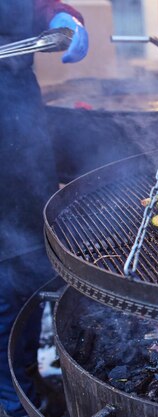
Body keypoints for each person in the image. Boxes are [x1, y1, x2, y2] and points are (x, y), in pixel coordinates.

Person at [0, 1, 88, 416]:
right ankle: (11, 401)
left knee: (28, 276)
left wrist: (64, 18)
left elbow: (35, 8)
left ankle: (27, 386)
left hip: (20, 135)